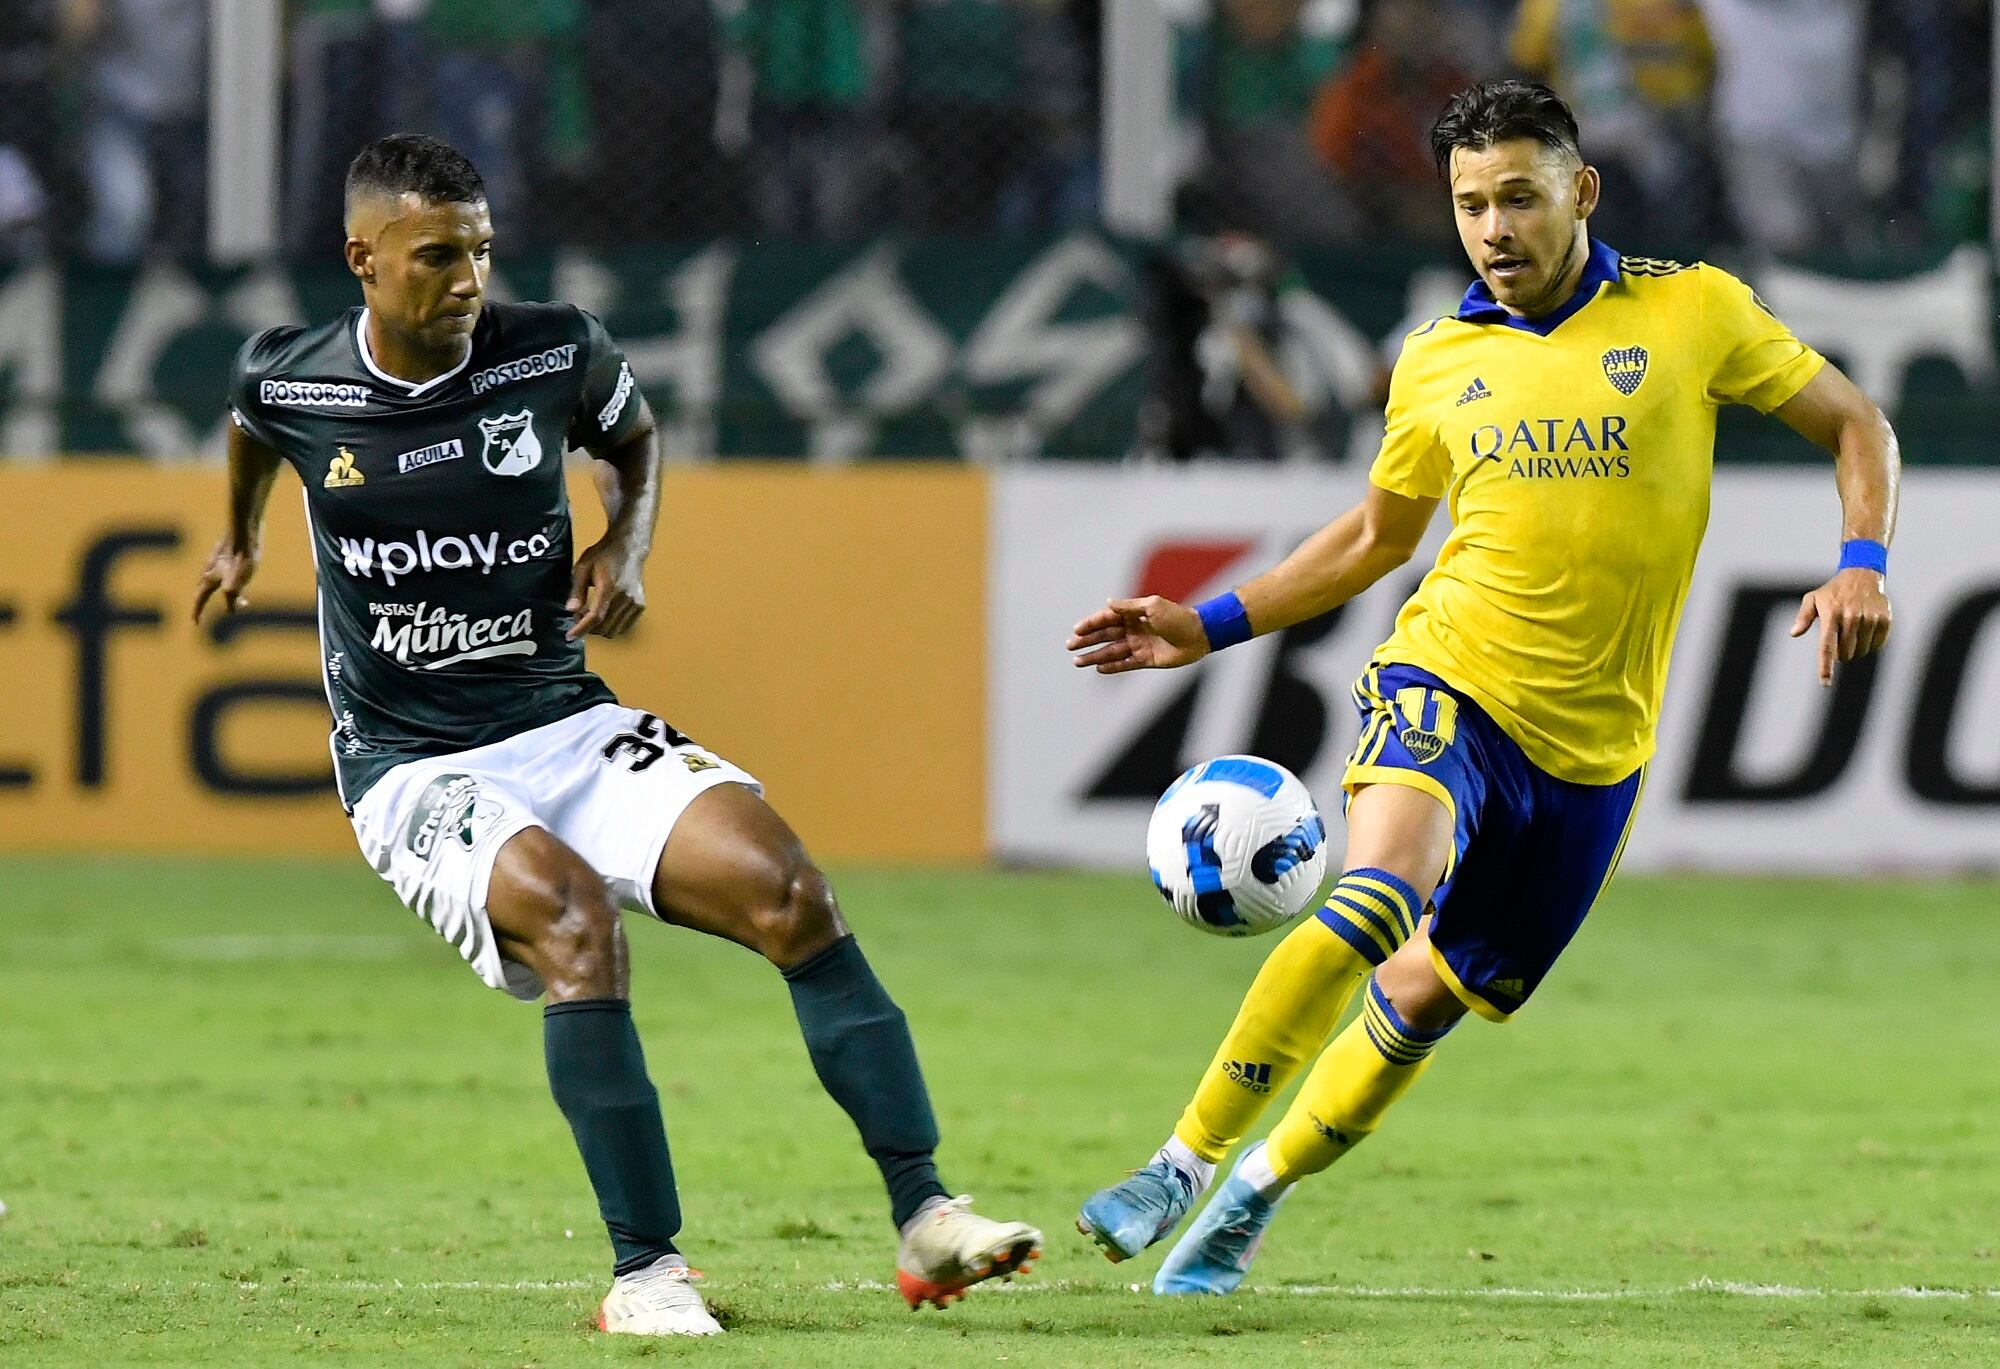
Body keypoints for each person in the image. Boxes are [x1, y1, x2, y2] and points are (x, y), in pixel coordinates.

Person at [193, 133, 1039, 1338]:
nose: (469, 279)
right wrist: (241, 536)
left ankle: (926, 1213)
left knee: (787, 889)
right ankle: (646, 1273)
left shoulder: (554, 349)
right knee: (576, 921)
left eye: (481, 251)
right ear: (363, 260)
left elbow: (630, 440)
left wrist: (622, 543)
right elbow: (246, 421)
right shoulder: (297, 379)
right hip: (410, 761)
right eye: (437, 256)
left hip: (563, 719)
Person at [1066, 80, 1896, 1295]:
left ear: (1580, 191)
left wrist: (1861, 562)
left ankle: (1256, 1190)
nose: (1493, 228)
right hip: (1447, 674)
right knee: (1375, 896)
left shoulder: (1691, 309)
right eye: (1468, 205)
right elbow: (1370, 541)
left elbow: (1854, 422)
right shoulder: (1437, 360)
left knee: (1423, 998)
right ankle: (1181, 1162)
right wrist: (1205, 622)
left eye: (1517, 196)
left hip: (1596, 749)